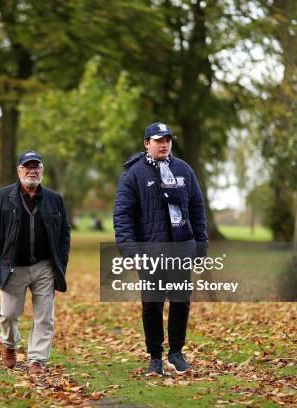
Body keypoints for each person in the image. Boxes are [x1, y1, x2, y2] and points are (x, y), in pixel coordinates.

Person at [113, 122, 208, 377]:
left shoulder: (184, 170)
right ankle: (155, 358)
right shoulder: (133, 174)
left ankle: (176, 354)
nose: (164, 144)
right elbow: (123, 216)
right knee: (152, 306)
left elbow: (197, 209)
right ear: (147, 143)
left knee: (180, 302)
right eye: (158, 140)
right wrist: (130, 252)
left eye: (167, 139)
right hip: (150, 254)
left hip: (181, 250)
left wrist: (201, 247)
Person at [0, 150, 71, 375]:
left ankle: (37, 360)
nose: (32, 171)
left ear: (42, 170)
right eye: (27, 167)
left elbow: (64, 234)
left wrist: (60, 262)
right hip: (13, 265)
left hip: (44, 266)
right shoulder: (2, 197)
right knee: (9, 314)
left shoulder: (54, 199)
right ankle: (9, 343)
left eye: (36, 167)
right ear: (19, 170)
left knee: (45, 316)